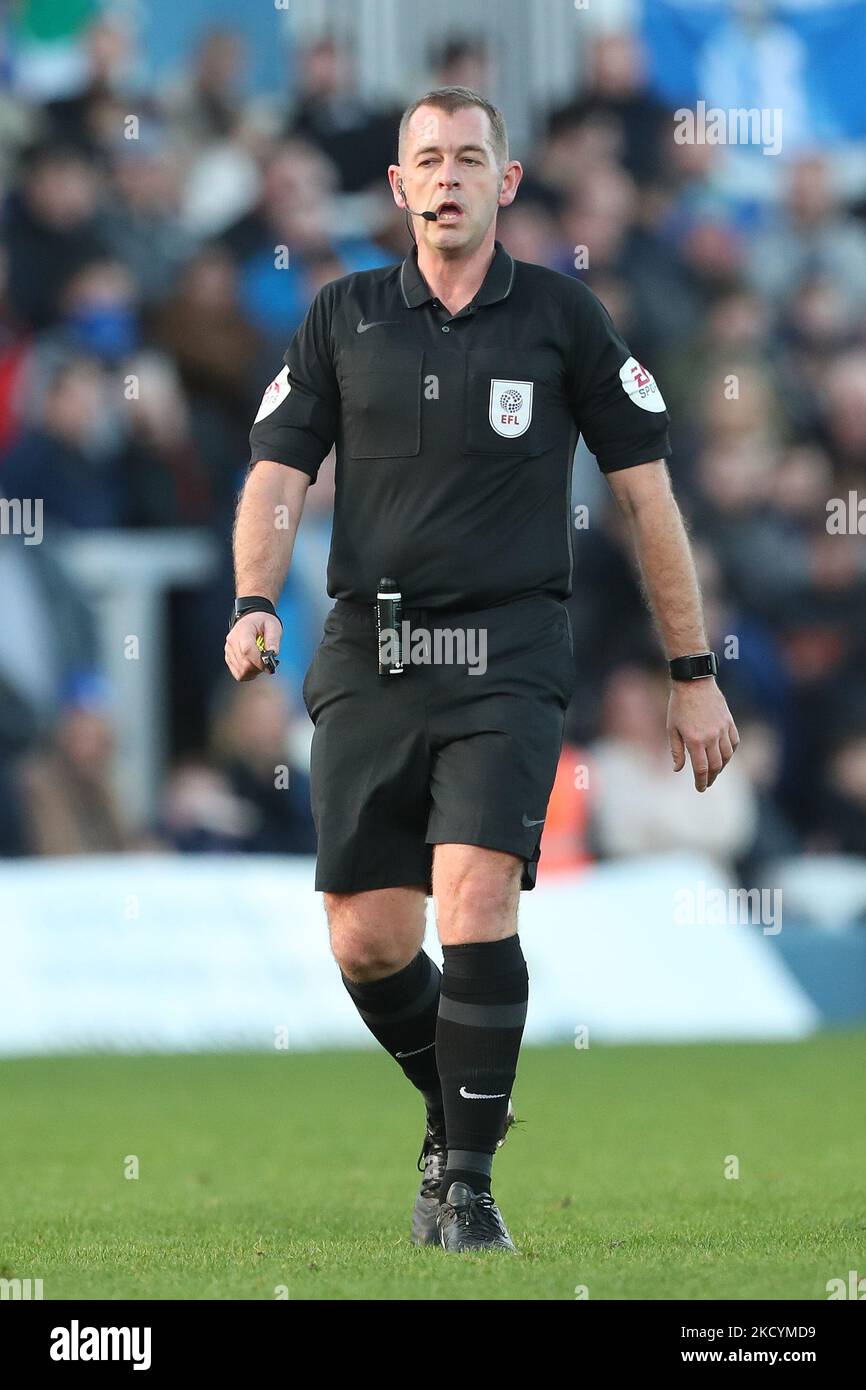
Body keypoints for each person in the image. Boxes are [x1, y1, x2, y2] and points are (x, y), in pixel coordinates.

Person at [224, 87, 739, 1253]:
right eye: (426, 160)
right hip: (371, 646)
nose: (447, 176)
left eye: (470, 158)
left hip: (507, 645)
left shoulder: (562, 318)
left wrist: (691, 666)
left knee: (475, 898)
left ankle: (465, 1190)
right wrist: (256, 599)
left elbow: (643, 496)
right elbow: (274, 474)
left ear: (505, 183)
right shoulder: (340, 315)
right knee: (365, 935)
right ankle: (448, 1101)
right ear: (397, 187)